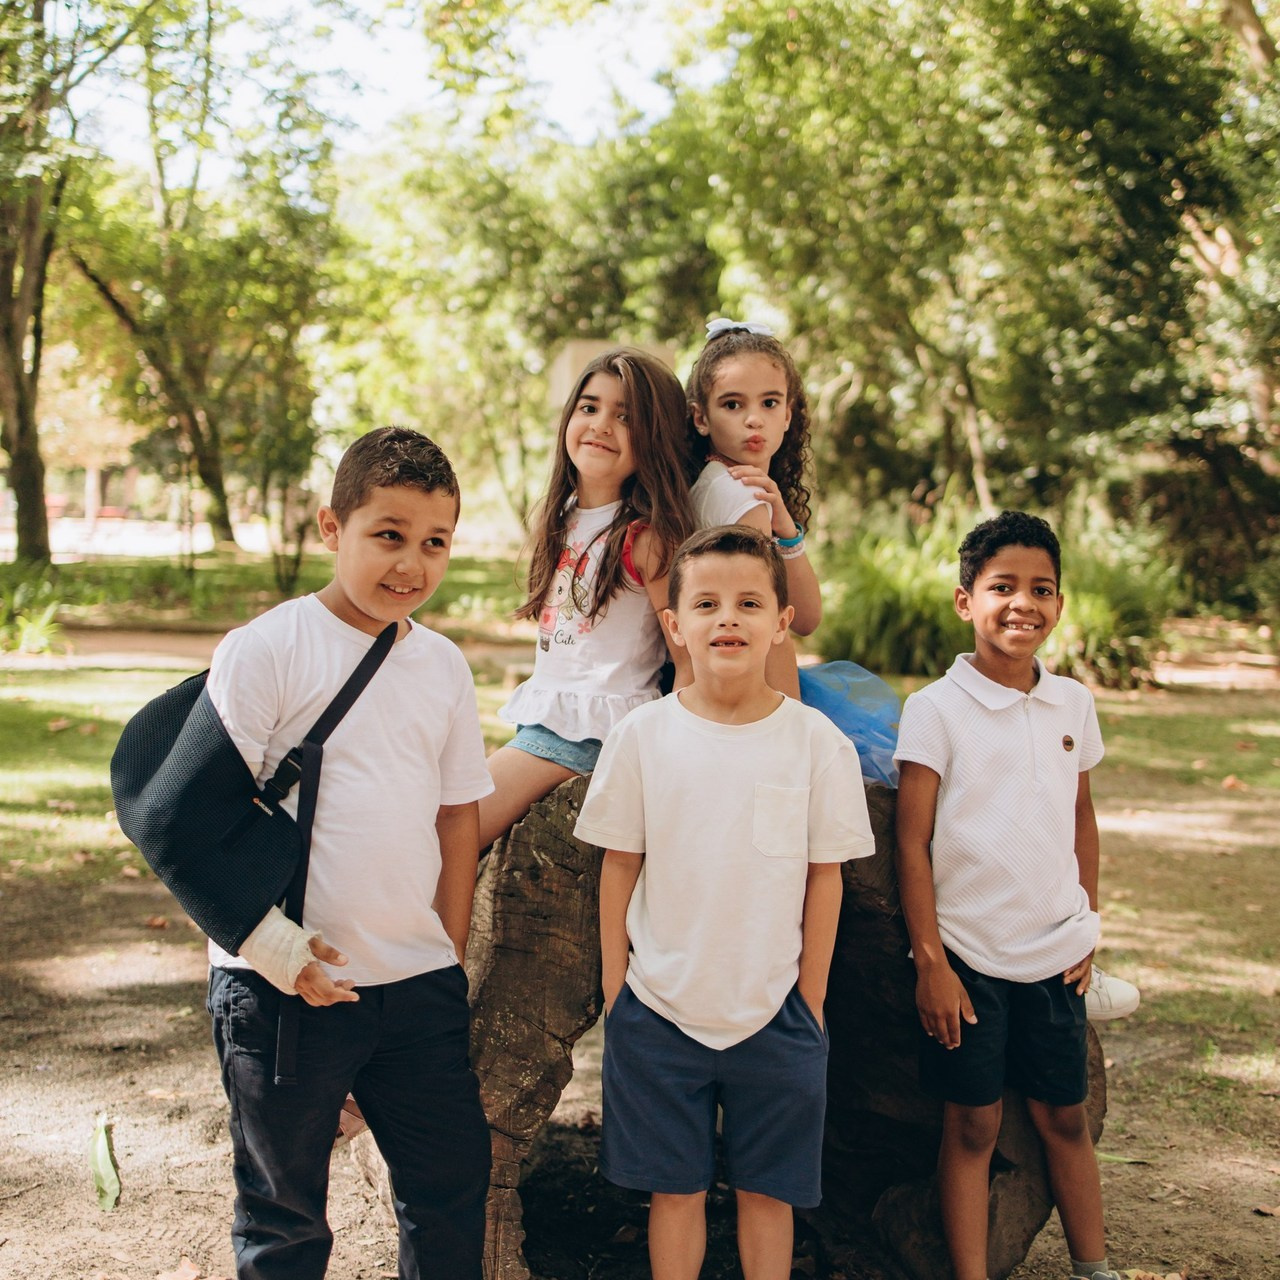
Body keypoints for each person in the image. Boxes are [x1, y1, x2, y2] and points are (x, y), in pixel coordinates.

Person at [204, 427, 493, 1280]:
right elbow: (197, 823)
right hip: (282, 989)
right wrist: (272, 949)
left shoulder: (443, 667)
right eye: (389, 535)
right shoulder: (267, 649)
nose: (412, 563)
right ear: (333, 529)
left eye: (434, 542)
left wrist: (444, 948)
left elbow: (455, 819)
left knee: (450, 1185)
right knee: (284, 1215)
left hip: (416, 984)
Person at [576, 525, 876, 1280]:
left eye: (749, 602)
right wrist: (619, 995)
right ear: (674, 625)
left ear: (782, 621)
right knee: (673, 1195)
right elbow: (619, 867)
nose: (728, 618)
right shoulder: (642, 738)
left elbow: (825, 879)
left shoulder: (816, 745)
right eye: (706, 603)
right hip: (658, 1012)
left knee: (767, 1196)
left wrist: (807, 1001)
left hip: (776, 1014)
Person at [894, 510, 1132, 1280]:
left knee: (1064, 1116)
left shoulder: (1073, 704)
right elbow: (911, 842)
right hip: (967, 958)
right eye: (1003, 586)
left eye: (1042, 589)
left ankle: (1094, 1266)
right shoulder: (935, 708)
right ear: (966, 600)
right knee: (972, 1125)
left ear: (1060, 604)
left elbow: (1080, 814)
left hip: (1053, 953)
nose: (1022, 603)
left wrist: (1087, 923)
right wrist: (930, 960)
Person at [477, 347, 694, 849]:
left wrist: (674, 760)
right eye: (590, 407)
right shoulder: (562, 517)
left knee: (455, 825)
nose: (601, 424)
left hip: (595, 735)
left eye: (625, 417)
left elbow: (686, 658)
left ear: (655, 436)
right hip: (550, 725)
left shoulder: (648, 538)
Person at [684, 318, 821, 699]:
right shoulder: (740, 498)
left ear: (788, 414)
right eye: (732, 404)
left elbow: (806, 617)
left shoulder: (726, 486)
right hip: (748, 695)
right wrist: (793, 728)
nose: (754, 418)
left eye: (770, 402)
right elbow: (775, 633)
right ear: (701, 418)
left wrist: (786, 527)